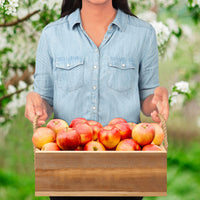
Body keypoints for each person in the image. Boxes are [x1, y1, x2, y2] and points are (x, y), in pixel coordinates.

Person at [25, 0, 169, 200]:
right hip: (67, 169)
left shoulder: (142, 34)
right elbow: (45, 100)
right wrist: (36, 102)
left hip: (125, 170)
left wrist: (157, 100)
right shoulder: (52, 35)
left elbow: (147, 99)